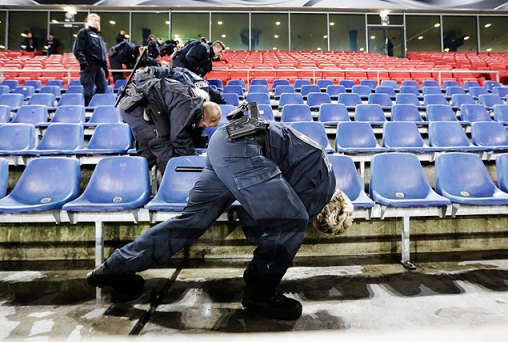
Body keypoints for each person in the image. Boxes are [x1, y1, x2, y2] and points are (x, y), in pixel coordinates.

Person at [87, 104, 354, 320]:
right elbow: (273, 224)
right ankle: (260, 295)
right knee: (291, 223)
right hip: (244, 149)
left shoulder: (321, 170)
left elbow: (261, 208)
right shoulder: (318, 190)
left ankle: (113, 269)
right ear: (325, 215)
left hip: (226, 141)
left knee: (191, 222)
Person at [117, 74, 222, 174]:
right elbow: (178, 136)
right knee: (159, 142)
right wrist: (191, 157)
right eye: (209, 125)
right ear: (205, 120)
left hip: (144, 107)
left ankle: (151, 179)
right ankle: (167, 181)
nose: (206, 128)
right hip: (135, 106)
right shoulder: (187, 106)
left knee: (154, 144)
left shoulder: (194, 106)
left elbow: (187, 131)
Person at [73, 13, 108, 106]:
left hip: (99, 67)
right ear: (87, 22)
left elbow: (102, 55)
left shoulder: (100, 38)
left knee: (102, 87)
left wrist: (105, 68)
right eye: (92, 20)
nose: (95, 22)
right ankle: (87, 109)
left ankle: (94, 105)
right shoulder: (83, 32)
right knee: (88, 89)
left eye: (97, 20)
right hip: (88, 65)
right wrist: (83, 61)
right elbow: (78, 49)